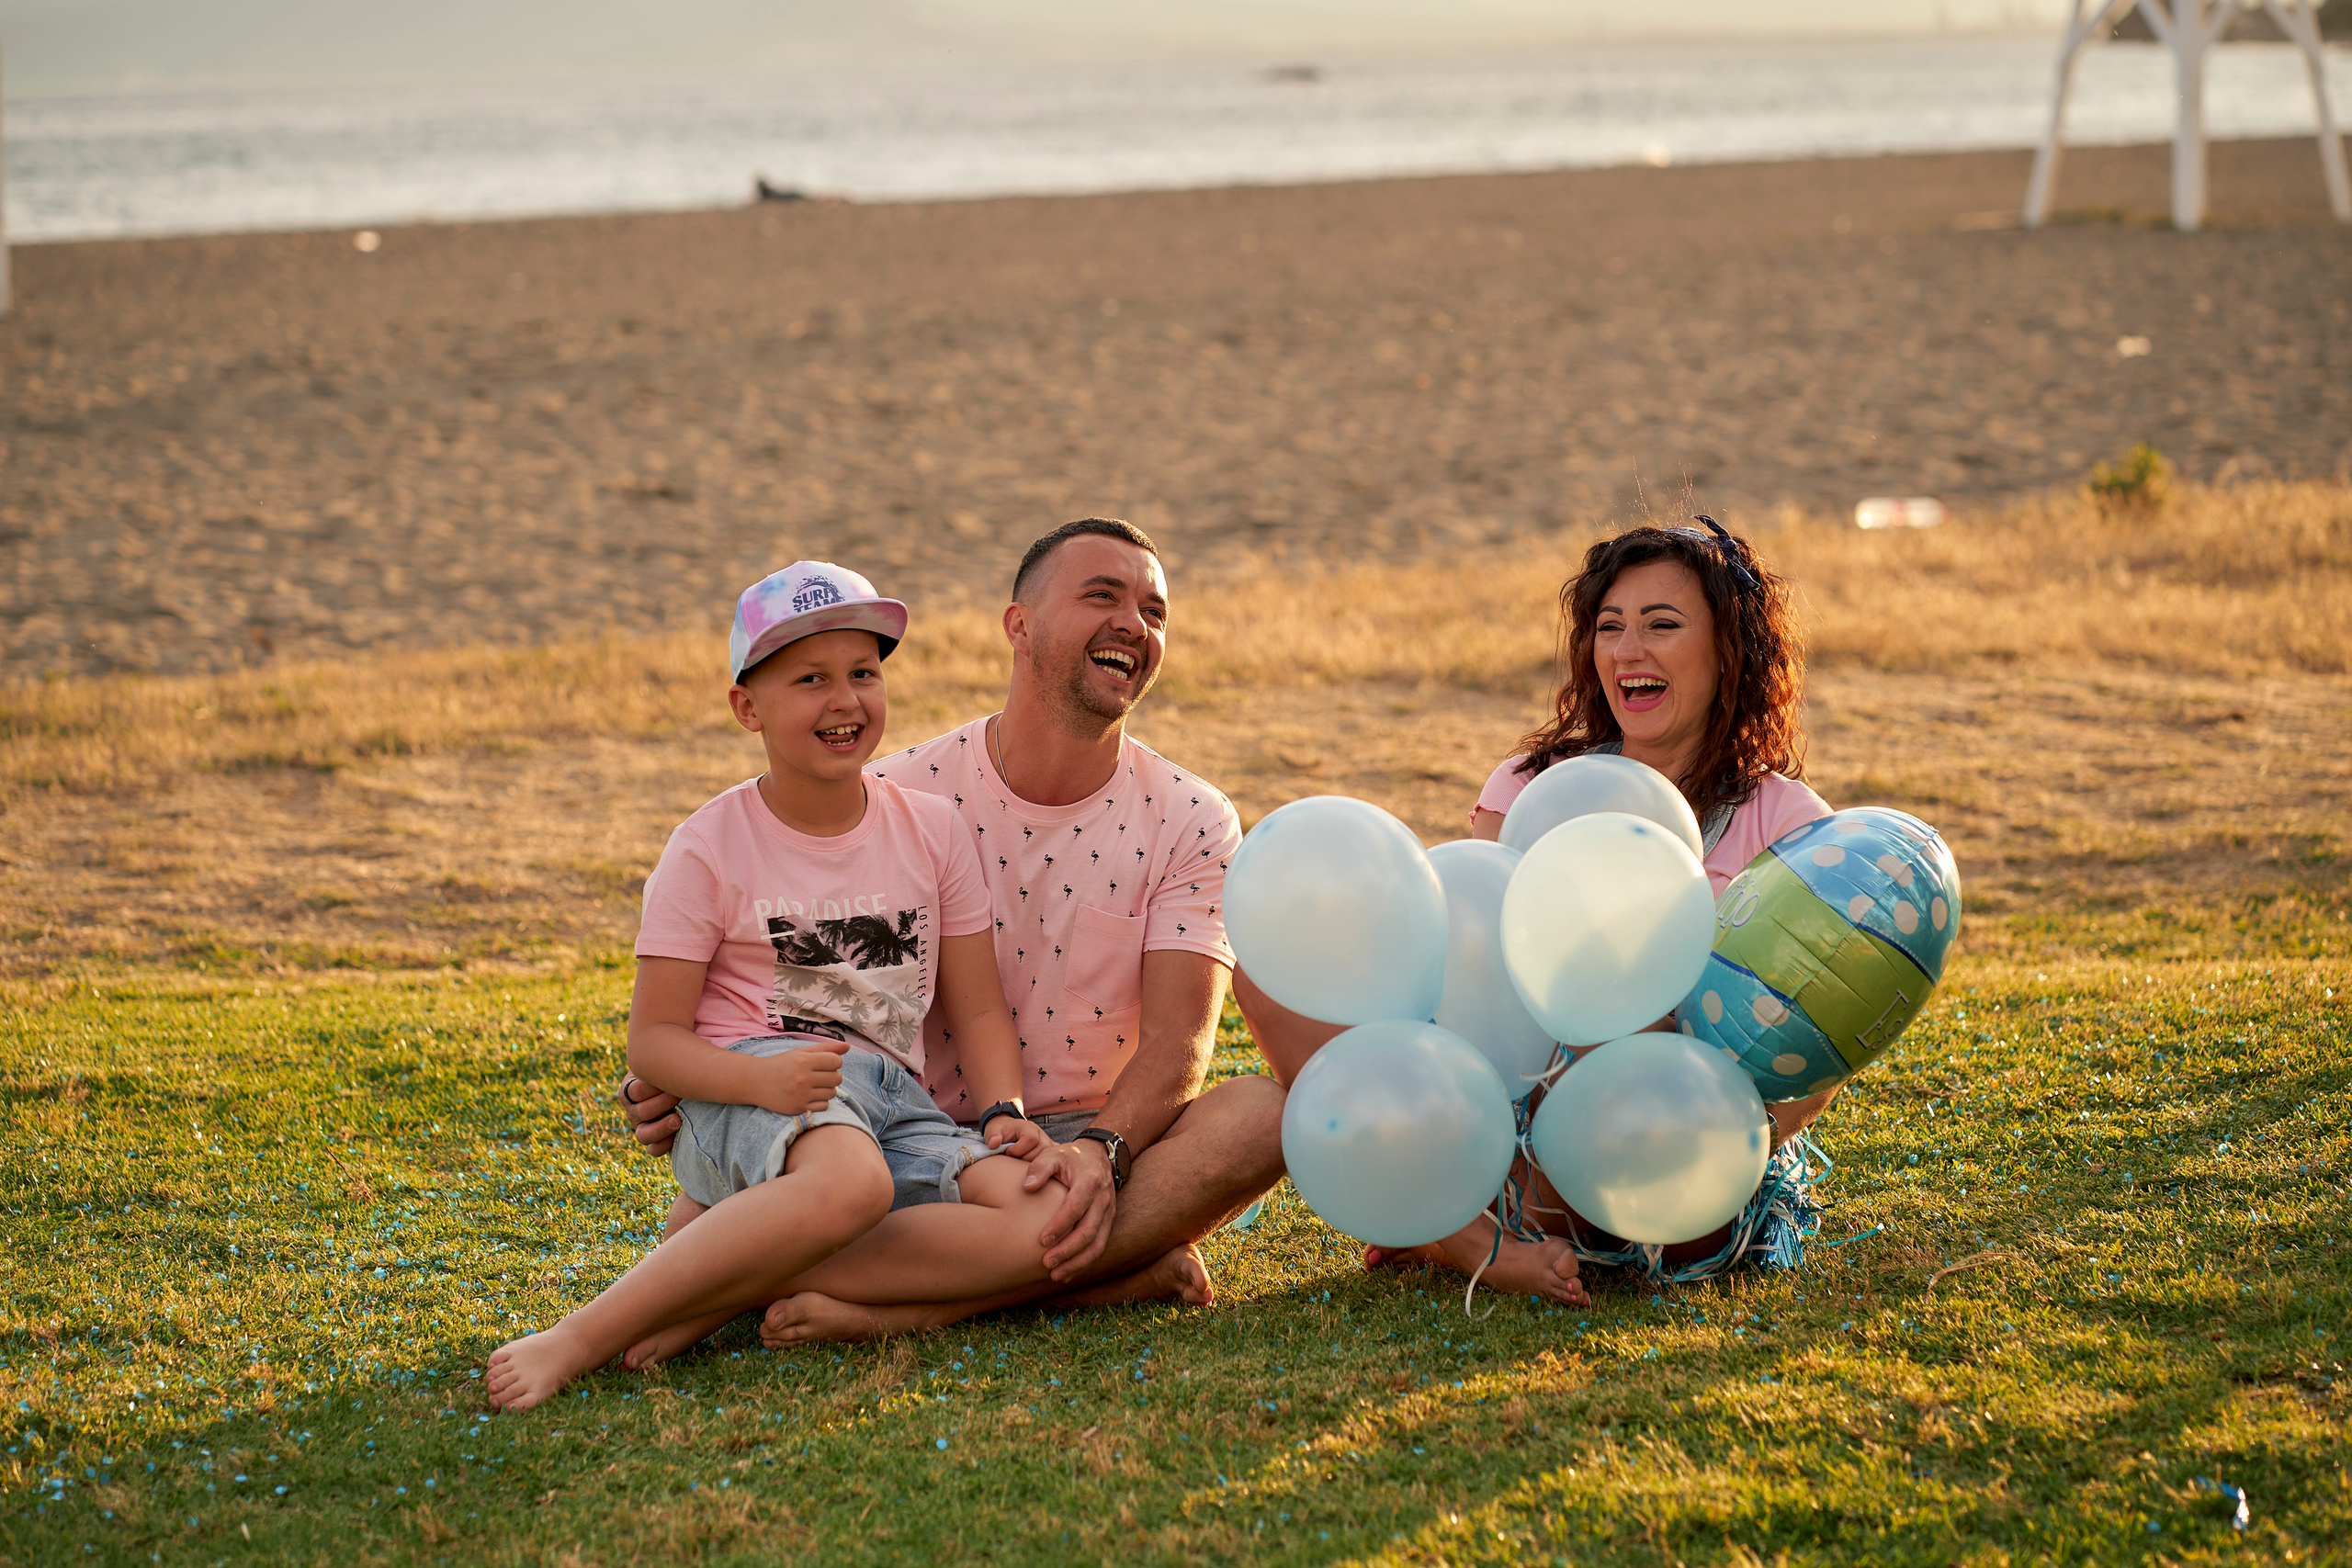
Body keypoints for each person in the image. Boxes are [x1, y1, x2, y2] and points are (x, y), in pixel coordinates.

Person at [617, 520, 1286, 1346]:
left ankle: (910, 1298)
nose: (1133, 624)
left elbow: (1182, 1040)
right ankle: (1078, 1273)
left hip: (1089, 1135)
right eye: (1101, 596)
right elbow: (804, 1007)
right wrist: (691, 1084)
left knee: (1263, 1112)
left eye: (1154, 610)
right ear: (1019, 625)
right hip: (901, 1134)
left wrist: (1100, 1153)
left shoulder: (1191, 816)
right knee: (846, 1177)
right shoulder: (896, 798)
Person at [490, 561, 1078, 1410]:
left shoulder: (934, 830)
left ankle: (716, 1279)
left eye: (863, 673)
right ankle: (579, 1334)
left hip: (889, 1098)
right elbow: (652, 1041)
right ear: (747, 707)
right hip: (754, 1080)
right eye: (811, 679)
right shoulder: (707, 847)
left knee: (1044, 1217)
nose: (845, 700)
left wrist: (1002, 1113)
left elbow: (977, 1003)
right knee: (851, 1184)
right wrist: (759, 1079)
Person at [1240, 514, 1835, 1293]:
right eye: (1609, 626)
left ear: (1729, 650)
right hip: (1499, 1130)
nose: (1628, 651)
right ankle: (1468, 1233)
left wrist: (1733, 1145)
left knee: (1626, 997)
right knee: (1270, 973)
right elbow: (1468, 962)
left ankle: (1462, 1220)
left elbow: (1819, 1037)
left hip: (1668, 1147)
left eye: (1662, 625)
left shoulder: (1787, 824)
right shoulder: (1528, 787)